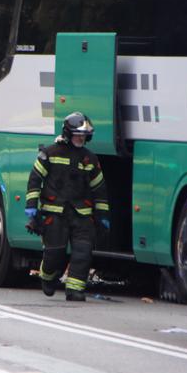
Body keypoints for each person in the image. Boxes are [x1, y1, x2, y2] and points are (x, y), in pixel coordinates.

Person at [25, 112, 110, 301]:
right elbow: (34, 180)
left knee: (83, 252)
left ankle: (74, 290)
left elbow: (99, 189)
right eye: (78, 134)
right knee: (54, 253)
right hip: (54, 213)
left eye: (84, 135)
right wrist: (31, 206)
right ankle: (47, 276)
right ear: (67, 133)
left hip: (82, 215)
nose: (81, 138)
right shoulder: (50, 153)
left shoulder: (90, 159)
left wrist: (103, 215)